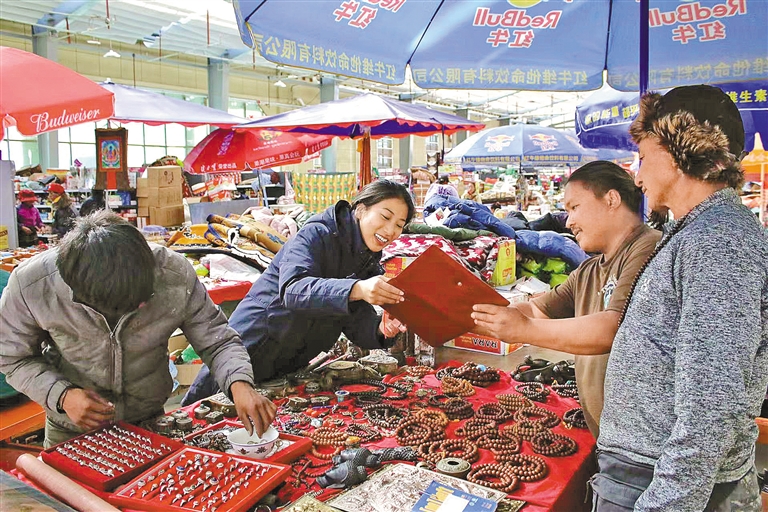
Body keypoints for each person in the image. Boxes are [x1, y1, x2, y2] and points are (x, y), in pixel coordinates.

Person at [595, 85, 768, 510]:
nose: (637, 176)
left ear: (678, 152)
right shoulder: (695, 232)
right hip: (649, 472)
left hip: (664, 484)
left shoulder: (719, 242)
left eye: (644, 157)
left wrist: (665, 504)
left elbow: (712, 401)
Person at [0, 211, 275, 447]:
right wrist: (62, 395)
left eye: (141, 305)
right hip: (69, 428)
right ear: (77, 294)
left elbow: (218, 341)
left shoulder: (172, 274)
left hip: (151, 421)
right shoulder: (32, 285)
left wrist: (240, 384)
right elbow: (11, 357)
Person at [471, 160, 661, 437]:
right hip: (610, 439)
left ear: (611, 199)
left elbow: (612, 329)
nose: (568, 221)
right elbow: (536, 310)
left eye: (574, 208)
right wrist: (479, 315)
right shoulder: (588, 270)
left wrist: (523, 330)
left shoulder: (649, 248)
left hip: (642, 443)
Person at [184, 179, 414, 405]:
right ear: (361, 209)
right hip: (253, 345)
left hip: (290, 363)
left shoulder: (366, 260)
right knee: (201, 412)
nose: (390, 230)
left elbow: (354, 321)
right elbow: (293, 290)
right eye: (385, 217)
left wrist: (381, 329)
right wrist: (356, 289)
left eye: (399, 225)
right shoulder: (317, 233)